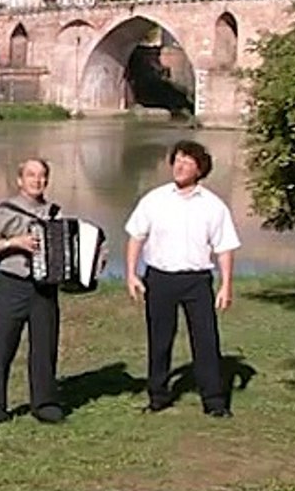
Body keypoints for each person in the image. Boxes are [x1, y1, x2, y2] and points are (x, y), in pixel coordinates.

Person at [0, 157, 105, 425]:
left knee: (45, 346)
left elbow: (74, 243)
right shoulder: (5, 211)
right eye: (31, 175)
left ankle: (45, 403)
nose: (37, 180)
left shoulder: (55, 213)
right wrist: (14, 242)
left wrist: (92, 260)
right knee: (0, 346)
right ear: (20, 180)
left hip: (45, 288)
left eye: (42, 176)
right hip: (13, 284)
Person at [123, 140, 239, 418]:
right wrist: (131, 273)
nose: (180, 166)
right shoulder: (154, 199)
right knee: (159, 339)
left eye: (188, 162)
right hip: (159, 278)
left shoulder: (213, 206)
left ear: (200, 169)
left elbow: (224, 247)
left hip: (196, 281)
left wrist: (226, 285)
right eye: (177, 160)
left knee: (206, 340)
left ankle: (214, 401)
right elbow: (136, 236)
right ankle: (158, 396)